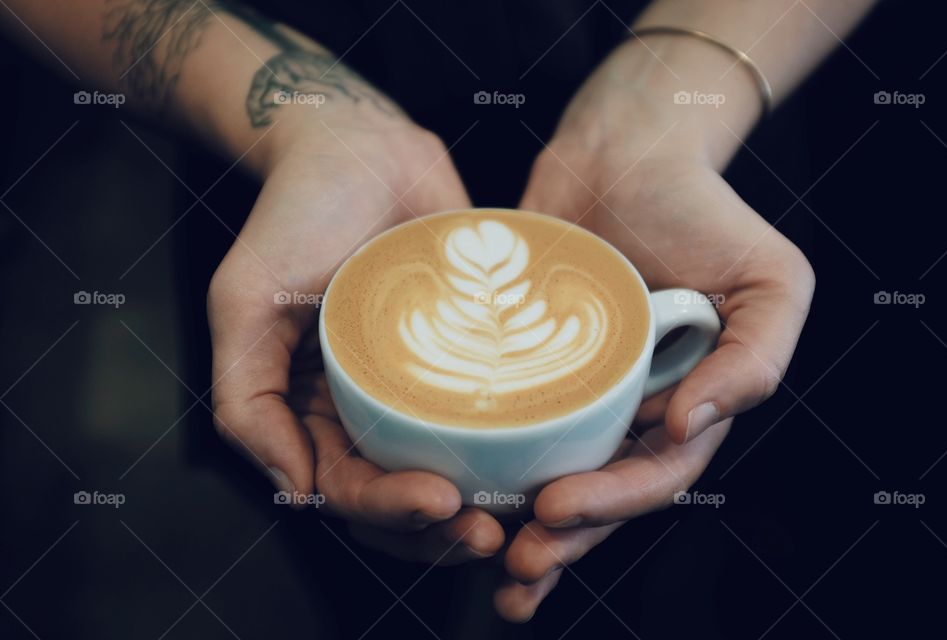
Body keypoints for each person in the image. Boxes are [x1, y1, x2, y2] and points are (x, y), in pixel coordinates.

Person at [1, 0, 875, 622]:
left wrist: (676, 99)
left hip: (682, 186)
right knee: (347, 552)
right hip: (297, 201)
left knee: (685, 570)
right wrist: (303, 122)